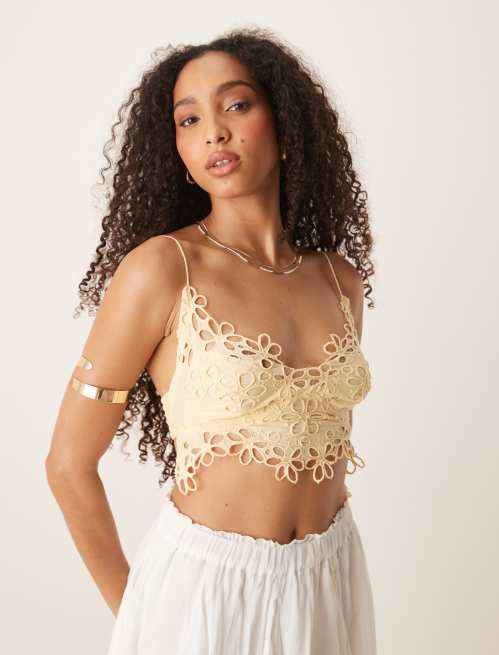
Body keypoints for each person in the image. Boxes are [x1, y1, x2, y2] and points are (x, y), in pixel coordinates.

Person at [46, 26, 377, 655]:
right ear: (175, 147)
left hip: (330, 579)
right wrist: (140, 616)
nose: (214, 134)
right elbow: (67, 465)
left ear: (285, 122)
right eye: (189, 119)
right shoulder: (161, 269)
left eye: (237, 105)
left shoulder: (340, 281)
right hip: (204, 592)